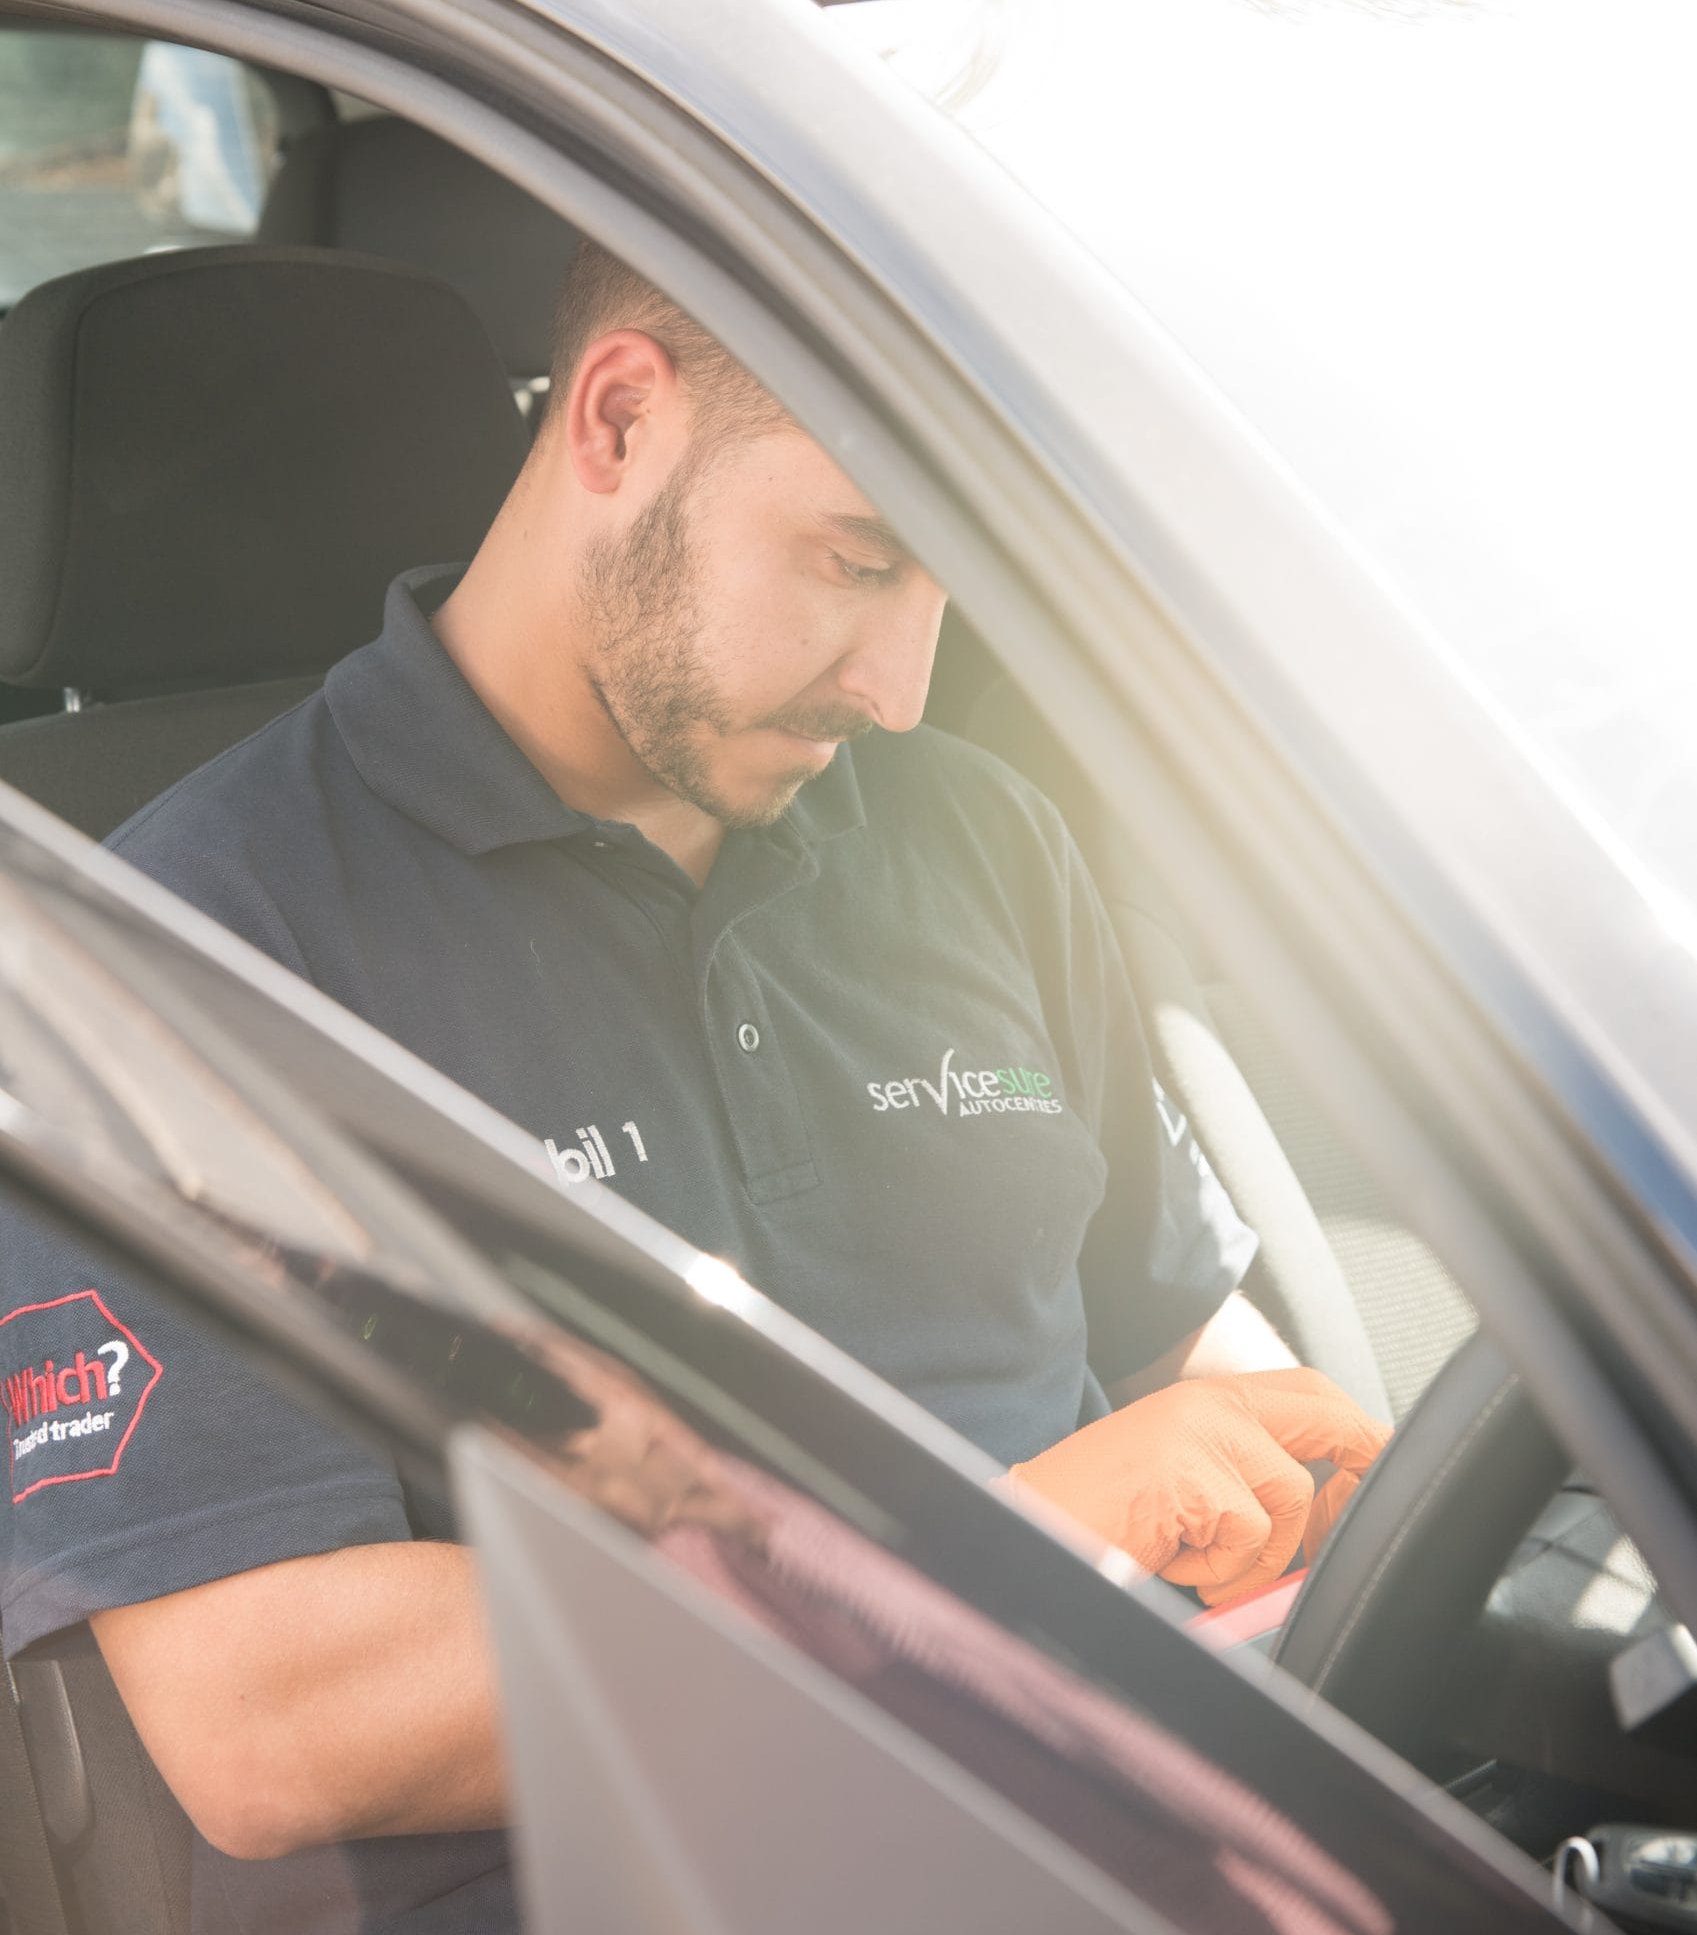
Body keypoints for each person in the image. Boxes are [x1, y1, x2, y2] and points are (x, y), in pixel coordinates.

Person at [0, 241, 1388, 1931]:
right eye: (855, 560)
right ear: (616, 420)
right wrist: (977, 1559)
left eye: (952, 592)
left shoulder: (981, 833)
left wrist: (1345, 1502)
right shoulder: (186, 950)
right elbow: (267, 1721)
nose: (898, 688)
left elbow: (1179, 1338)